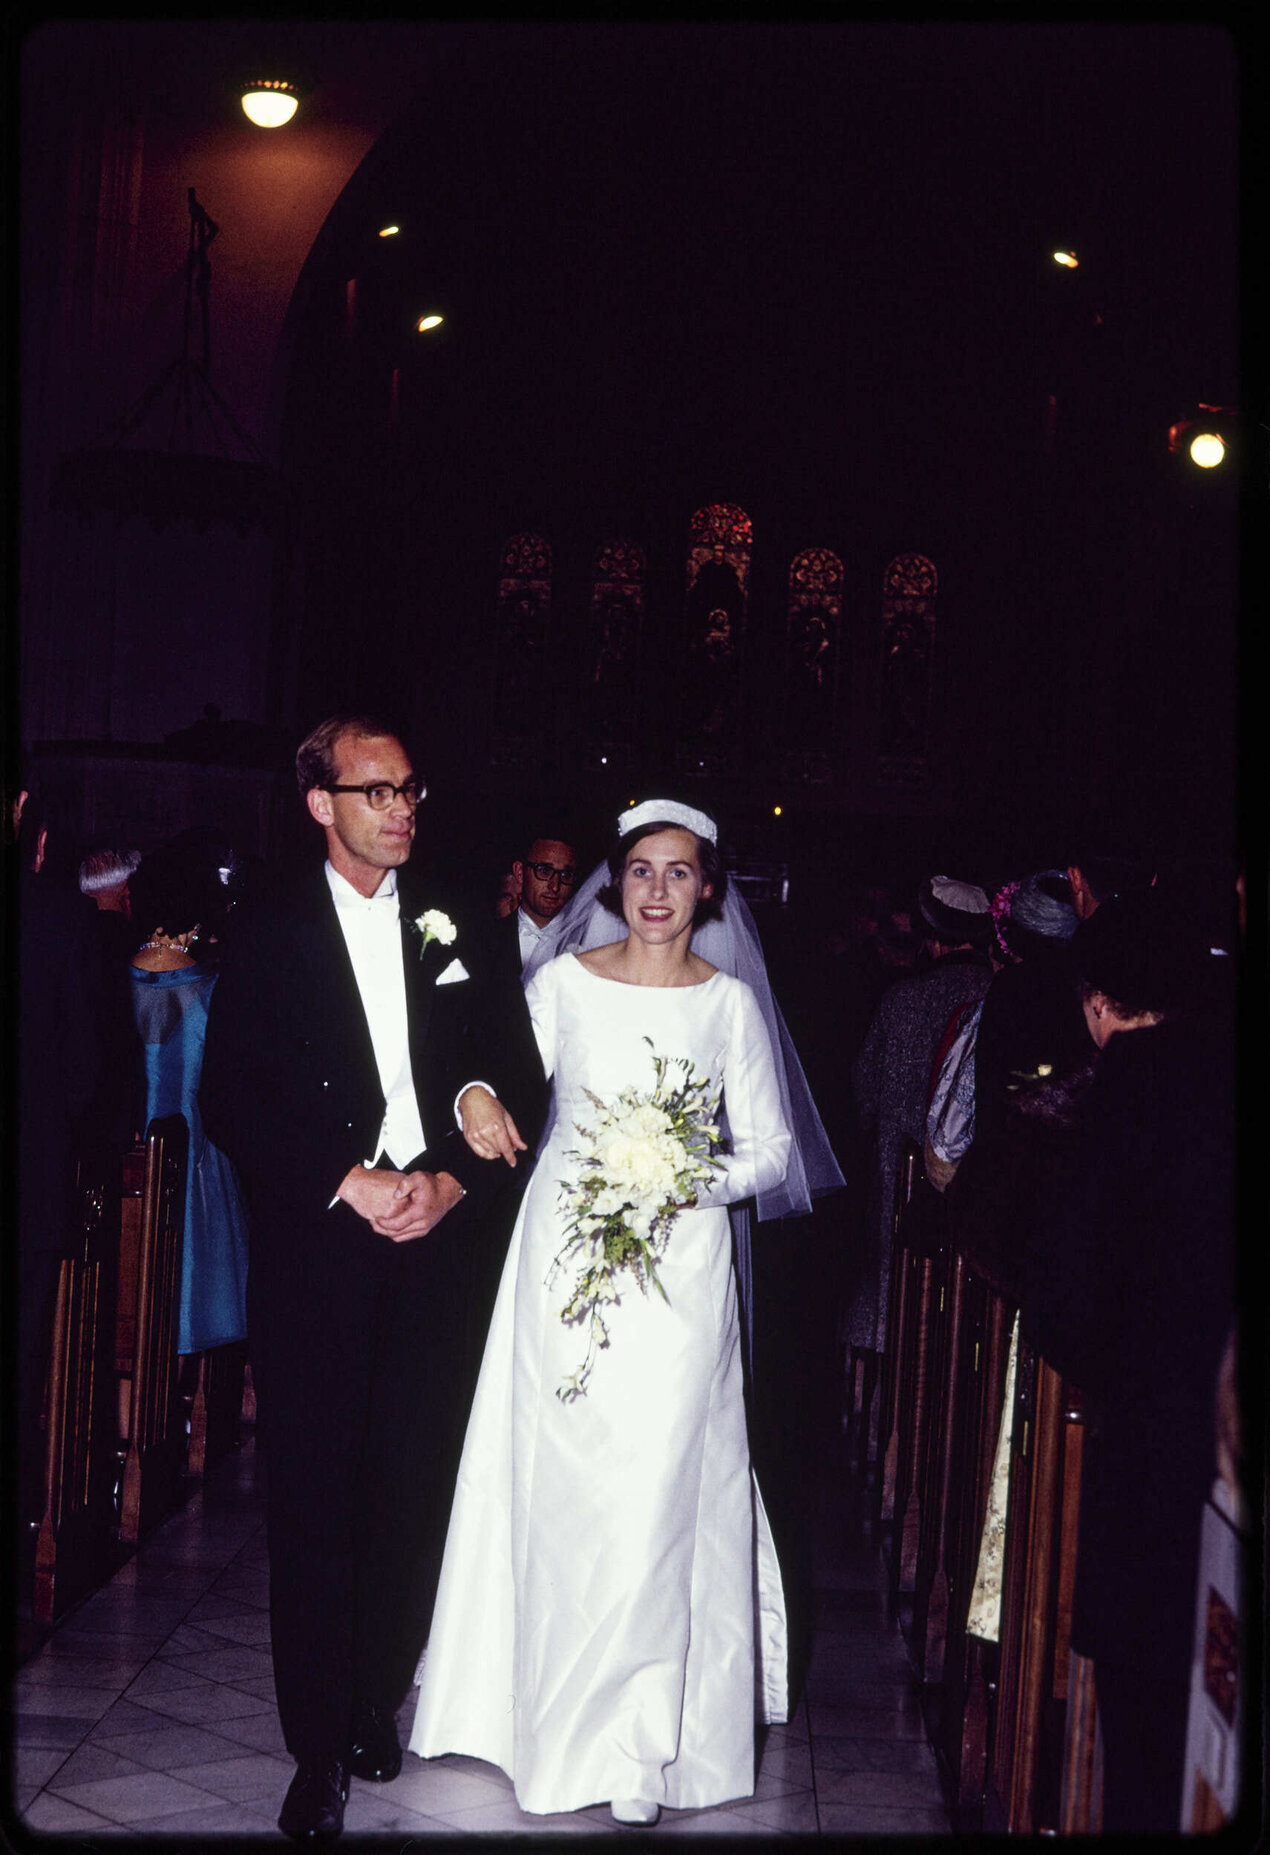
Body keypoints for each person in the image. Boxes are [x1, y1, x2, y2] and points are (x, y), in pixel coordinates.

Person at [410, 799, 801, 1825]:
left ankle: (638, 1739)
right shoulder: (562, 985)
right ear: (614, 881)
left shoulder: (727, 1006)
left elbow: (768, 1148)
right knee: (559, 1474)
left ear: (707, 888)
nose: (658, 892)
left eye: (680, 873)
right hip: (562, 1256)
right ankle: (523, 1711)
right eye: (640, 871)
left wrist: (681, 1175)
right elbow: (502, 1082)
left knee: (656, 1485)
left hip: (680, 1273)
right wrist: (476, 1104)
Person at [199, 714, 545, 1843]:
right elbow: (231, 1098)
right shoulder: (264, 932)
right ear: (320, 803)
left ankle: (370, 1699)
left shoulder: (463, 924)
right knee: (313, 1505)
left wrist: (452, 1173)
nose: (402, 807)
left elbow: (513, 1078)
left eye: (409, 788)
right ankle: (314, 1749)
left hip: (436, 1244)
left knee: (410, 1492)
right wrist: (345, 1180)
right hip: (324, 1248)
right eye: (376, 789)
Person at [1019, 888, 1235, 1833]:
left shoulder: (1126, 1085)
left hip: (1155, 1431)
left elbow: (1068, 1296)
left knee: (1149, 1718)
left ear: (1097, 1001)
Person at [128, 842, 250, 1358]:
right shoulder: (216, 988)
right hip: (197, 1157)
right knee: (193, 1292)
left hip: (127, 1161)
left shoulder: (112, 974)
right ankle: (183, 1423)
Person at [503, 830, 581, 972]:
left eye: (565, 874)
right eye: (544, 871)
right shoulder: (484, 938)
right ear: (520, 873)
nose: (555, 886)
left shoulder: (586, 939)